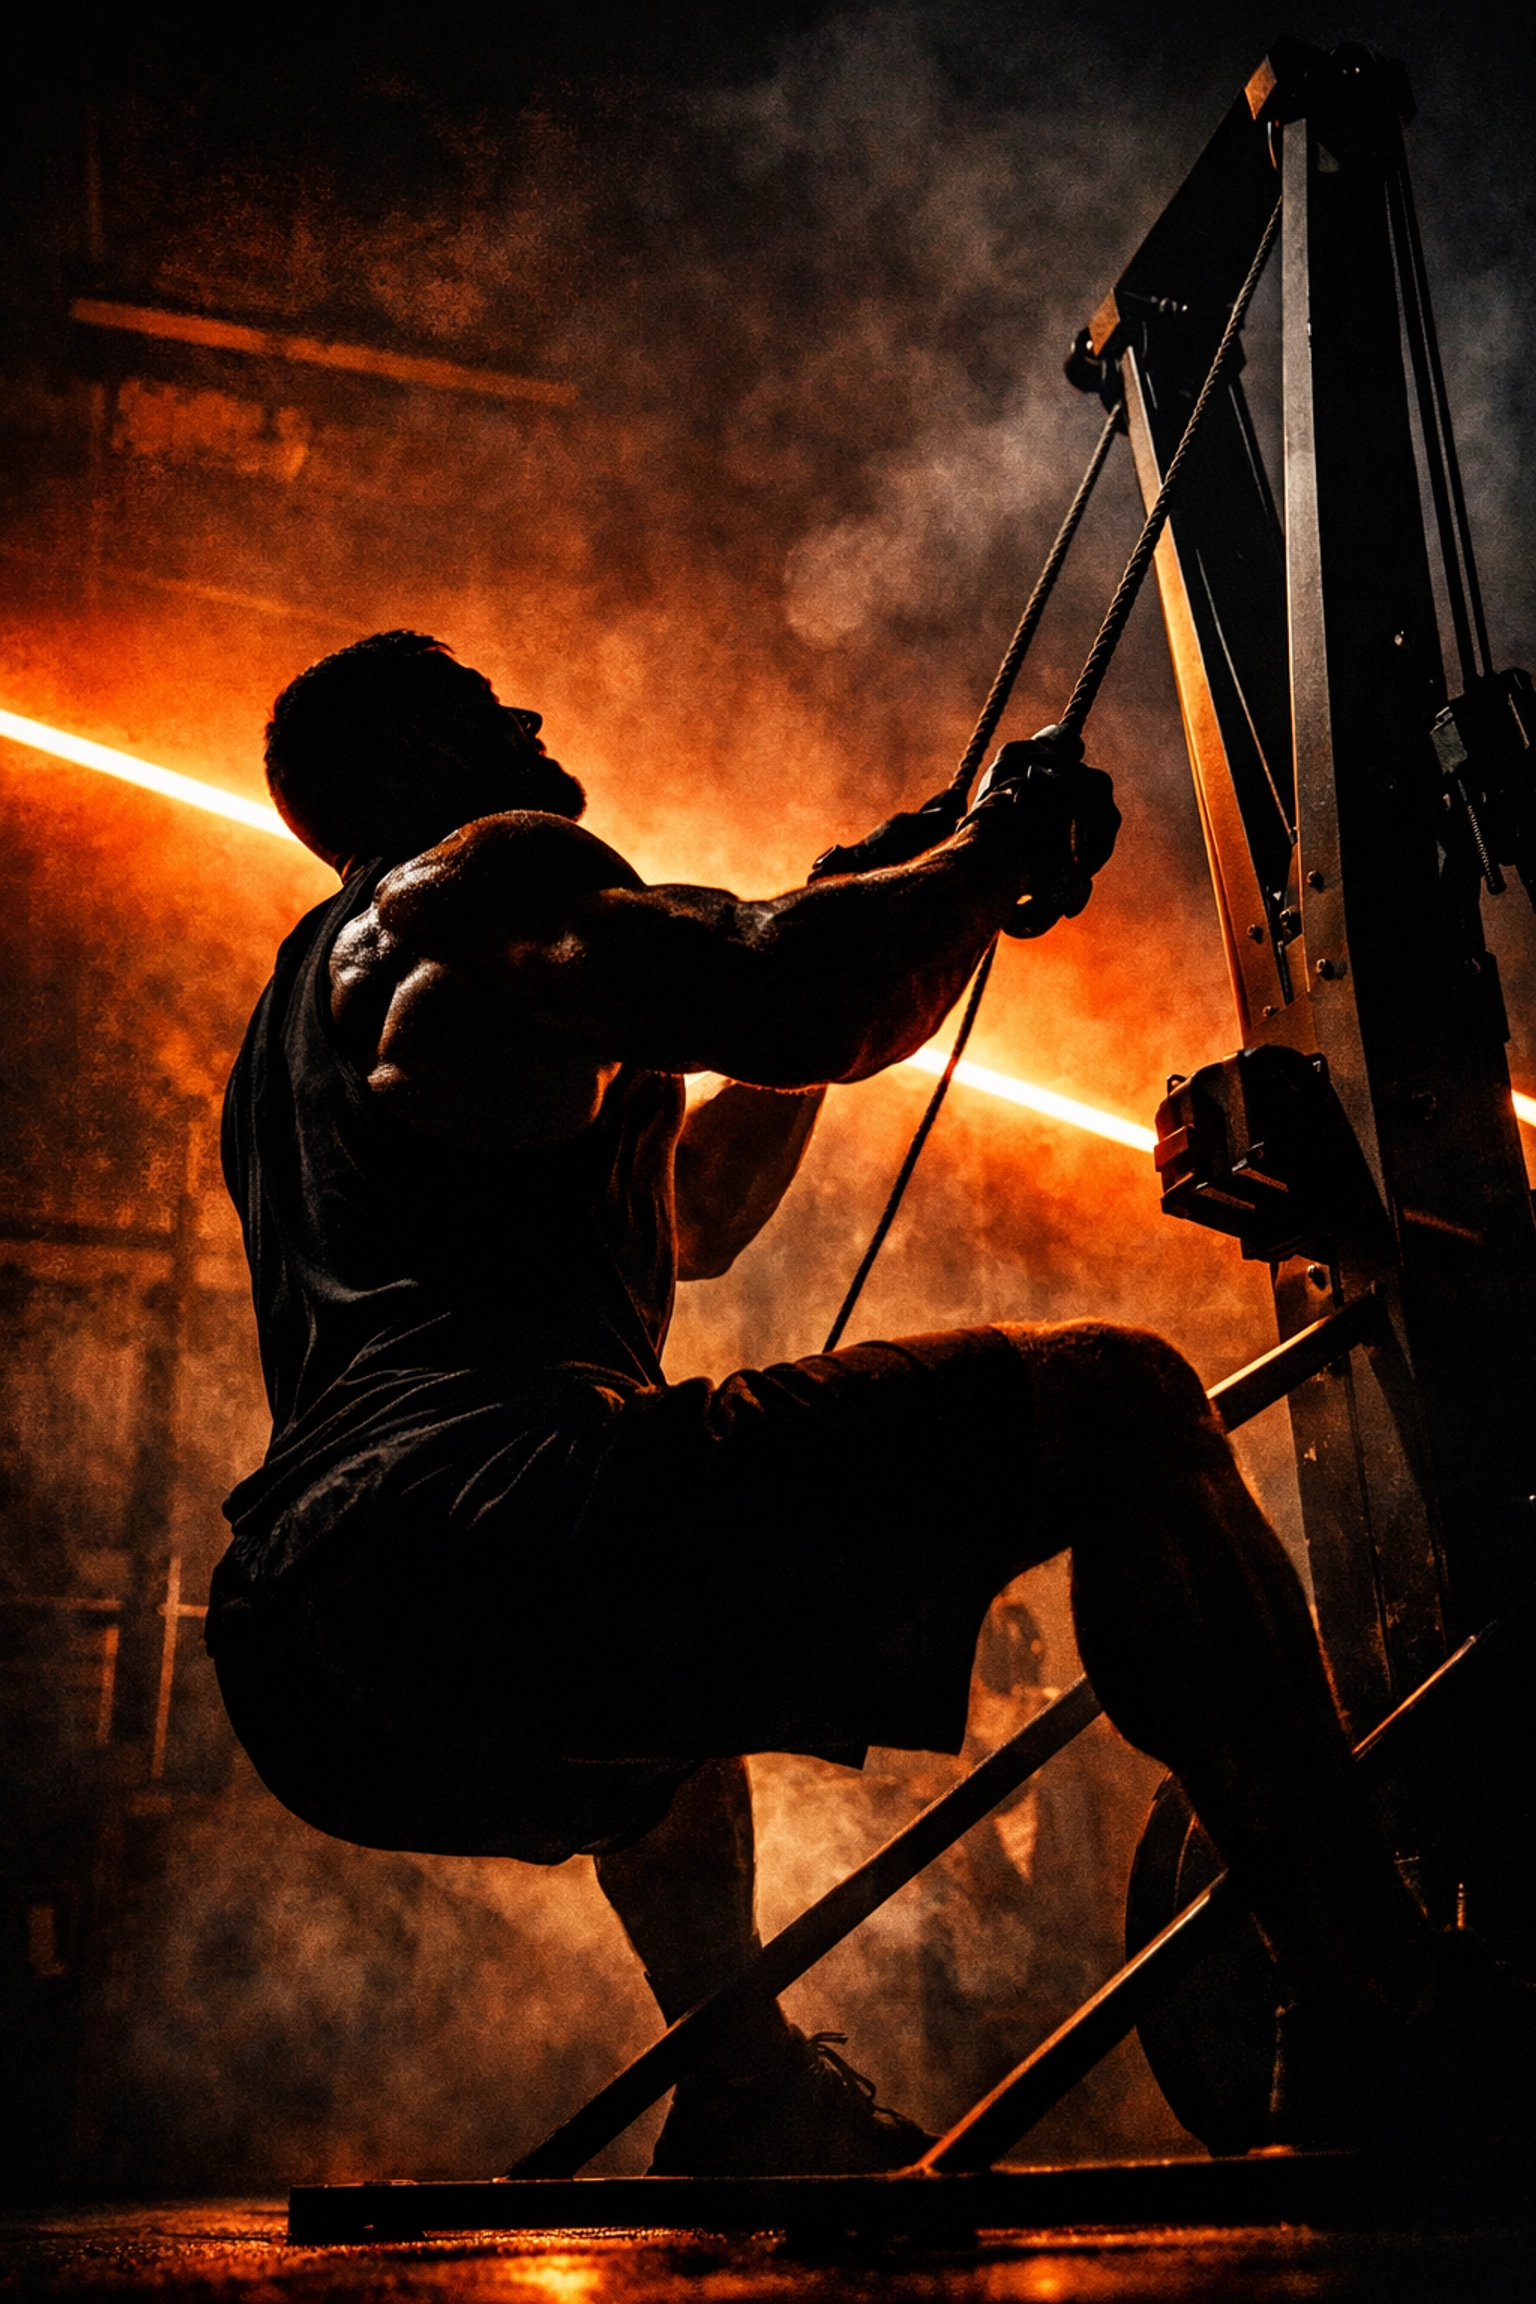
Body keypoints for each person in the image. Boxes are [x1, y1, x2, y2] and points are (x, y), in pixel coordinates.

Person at [207, 629, 1512, 2174]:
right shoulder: (476, 878)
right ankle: (1375, 2002)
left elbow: (694, 1215)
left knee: (666, 1664)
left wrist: (902, 887)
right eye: (487, 704)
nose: (535, 710)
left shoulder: (304, 1032)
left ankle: (747, 2084)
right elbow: (796, 992)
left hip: (309, 1649)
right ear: (410, 756)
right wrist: (991, 856)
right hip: (481, 1527)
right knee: (1121, 1400)